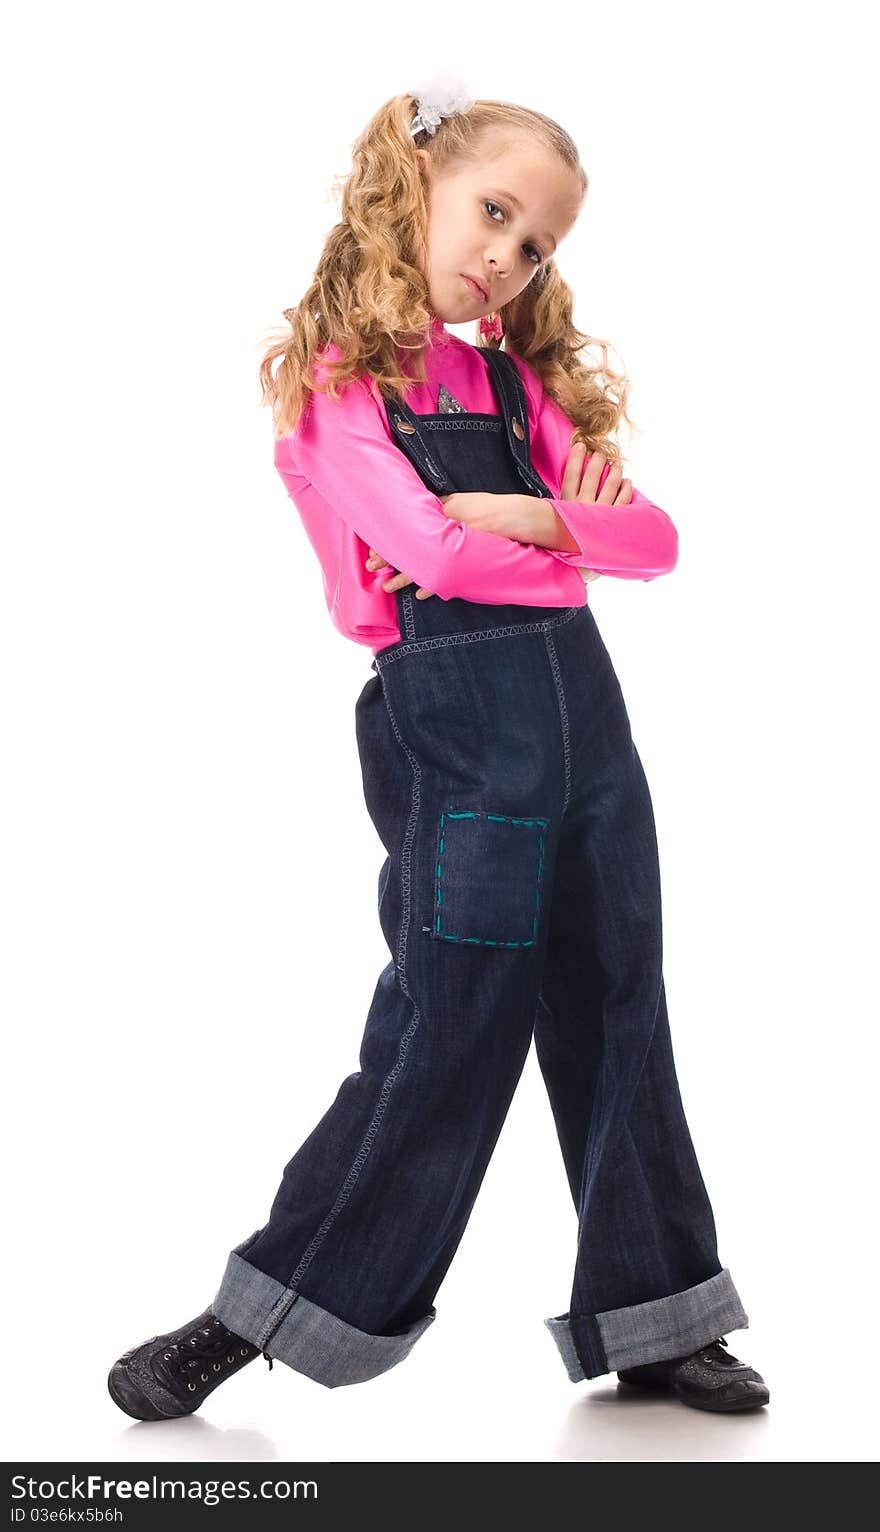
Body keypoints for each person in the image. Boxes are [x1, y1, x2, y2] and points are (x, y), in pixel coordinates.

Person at [108, 78, 769, 1421]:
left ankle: (658, 1316)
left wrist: (523, 526)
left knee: (617, 1000)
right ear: (411, 188)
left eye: (537, 246)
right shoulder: (336, 390)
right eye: (495, 213)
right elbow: (423, 555)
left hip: (586, 724)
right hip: (460, 727)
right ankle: (265, 1311)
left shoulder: (515, 383)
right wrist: (554, 536)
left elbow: (656, 541)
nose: (506, 258)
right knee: (446, 1024)